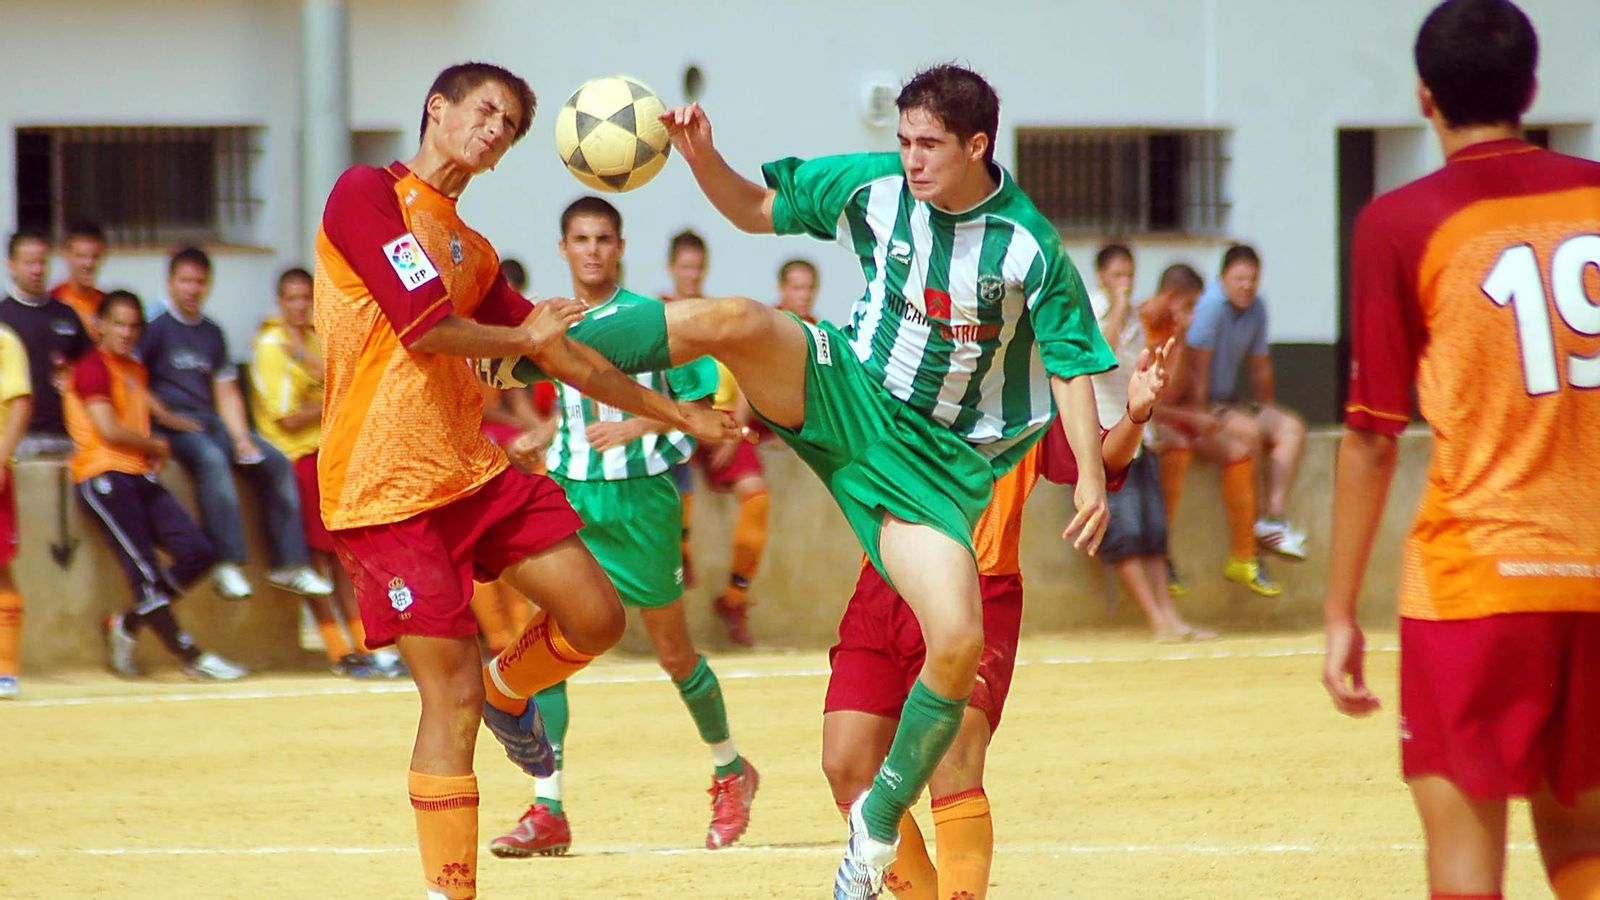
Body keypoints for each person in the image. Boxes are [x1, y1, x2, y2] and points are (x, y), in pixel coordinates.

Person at [650, 63, 1116, 898]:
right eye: (901, 141)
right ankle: (533, 353)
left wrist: (1091, 479)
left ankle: (908, 865)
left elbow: (1076, 366)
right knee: (845, 763)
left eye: (928, 144)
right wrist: (700, 158)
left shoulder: (1027, 246)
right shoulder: (874, 190)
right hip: (863, 431)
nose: (910, 159)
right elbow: (759, 211)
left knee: (955, 759)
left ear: (977, 146)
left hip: (948, 512)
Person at [312, 61, 737, 900]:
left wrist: (677, 412)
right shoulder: (364, 193)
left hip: (470, 475)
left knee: (597, 614)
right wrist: (531, 331)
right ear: (437, 109)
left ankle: (515, 692)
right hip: (383, 491)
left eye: (508, 125)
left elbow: (566, 357)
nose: (494, 130)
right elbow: (425, 329)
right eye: (484, 112)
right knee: (449, 696)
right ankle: (452, 890)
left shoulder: (470, 251)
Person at [1323, 3, 1600, 899]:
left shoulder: (1401, 221)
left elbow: (1371, 439)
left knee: (1466, 860)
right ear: (1531, 89)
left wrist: (1337, 614)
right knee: (1586, 844)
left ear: (1425, 97)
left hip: (1475, 587)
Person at [822, 342, 1166, 900]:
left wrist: (1136, 413)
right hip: (883, 583)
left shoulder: (1028, 397)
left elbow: (1100, 463)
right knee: (846, 765)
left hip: (978, 584)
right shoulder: (896, 364)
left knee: (954, 764)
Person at [488, 195, 759, 858]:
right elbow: (580, 404)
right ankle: (546, 805)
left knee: (673, 652)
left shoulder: (653, 320)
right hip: (574, 496)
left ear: (620, 245)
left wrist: (637, 424)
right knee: (546, 646)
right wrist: (548, 433)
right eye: (580, 238)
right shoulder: (549, 323)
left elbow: (697, 406)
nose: (592, 249)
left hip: (643, 502)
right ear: (563, 248)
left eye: (603, 238)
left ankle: (731, 769)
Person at [64, 291, 246, 681]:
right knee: (144, 571)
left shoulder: (132, 368)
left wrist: (162, 436)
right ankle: (190, 654)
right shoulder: (93, 367)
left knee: (197, 552)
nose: (126, 332)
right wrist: (157, 444)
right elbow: (108, 429)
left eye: (133, 325)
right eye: (118, 323)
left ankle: (126, 624)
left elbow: (144, 411)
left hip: (138, 474)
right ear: (99, 326)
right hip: (103, 475)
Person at [139, 247, 334, 602]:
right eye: (185, 280)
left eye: (200, 281)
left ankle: (289, 565)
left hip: (207, 421)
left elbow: (226, 391)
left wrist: (242, 438)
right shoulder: (154, 327)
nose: (193, 288)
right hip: (169, 427)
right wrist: (165, 416)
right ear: (170, 282)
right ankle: (228, 564)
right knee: (212, 460)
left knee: (272, 460)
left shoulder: (212, 332)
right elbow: (132, 379)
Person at [250, 266, 392, 679]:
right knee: (319, 560)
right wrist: (335, 401)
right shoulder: (271, 346)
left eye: (305, 299)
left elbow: (346, 381)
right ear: (280, 302)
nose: (299, 307)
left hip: (330, 457)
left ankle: (366, 646)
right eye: (291, 299)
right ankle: (338, 650)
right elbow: (289, 419)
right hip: (298, 459)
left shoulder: (312, 339)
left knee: (346, 559)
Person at [1088, 246, 1216, 639]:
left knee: (1152, 530)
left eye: (1129, 274)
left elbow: (1159, 380)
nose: (1124, 282)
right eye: (1116, 275)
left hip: (1140, 433)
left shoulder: (1140, 319)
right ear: (1100, 276)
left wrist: (1173, 333)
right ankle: (1156, 620)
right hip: (1104, 433)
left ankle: (1170, 617)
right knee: (1125, 531)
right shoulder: (1092, 307)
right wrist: (1118, 303)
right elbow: (1102, 356)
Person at [660, 229, 771, 645]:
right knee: (672, 470)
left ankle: (734, 598)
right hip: (677, 420)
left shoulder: (719, 314)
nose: (692, 274)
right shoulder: (660, 315)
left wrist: (733, 433)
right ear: (672, 268)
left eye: (698, 267)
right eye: (685, 266)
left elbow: (745, 375)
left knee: (757, 497)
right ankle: (682, 551)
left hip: (722, 420)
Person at [1183, 243, 1309, 562]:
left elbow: (1260, 364)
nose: (1247, 286)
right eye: (1239, 279)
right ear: (1223, 278)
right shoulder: (1210, 305)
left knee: (1292, 427)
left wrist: (1267, 406)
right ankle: (1249, 528)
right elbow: (1197, 366)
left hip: (1231, 399)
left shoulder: (1257, 307)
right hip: (1204, 402)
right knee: (1251, 433)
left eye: (1252, 279)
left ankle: (1274, 519)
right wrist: (1197, 415)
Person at [1, 230, 91, 458]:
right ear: (11, 265)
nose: (37, 270)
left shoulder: (67, 314)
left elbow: (90, 367)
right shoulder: (3, 316)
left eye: (42, 262)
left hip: (67, 434)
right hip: (18, 439)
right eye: (29, 263)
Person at [0, 323, 31, 698]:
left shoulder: (5, 340)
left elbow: (21, 402)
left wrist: (2, 458)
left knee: (0, 565)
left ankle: (5, 667)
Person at [50, 221, 108, 338]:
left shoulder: (106, 305)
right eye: (81, 256)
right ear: (66, 255)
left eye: (95, 257)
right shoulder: (53, 301)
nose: (88, 264)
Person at [776, 257, 821, 323]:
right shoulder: (768, 323)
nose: (806, 296)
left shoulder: (817, 328)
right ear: (781, 288)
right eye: (797, 288)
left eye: (811, 287)